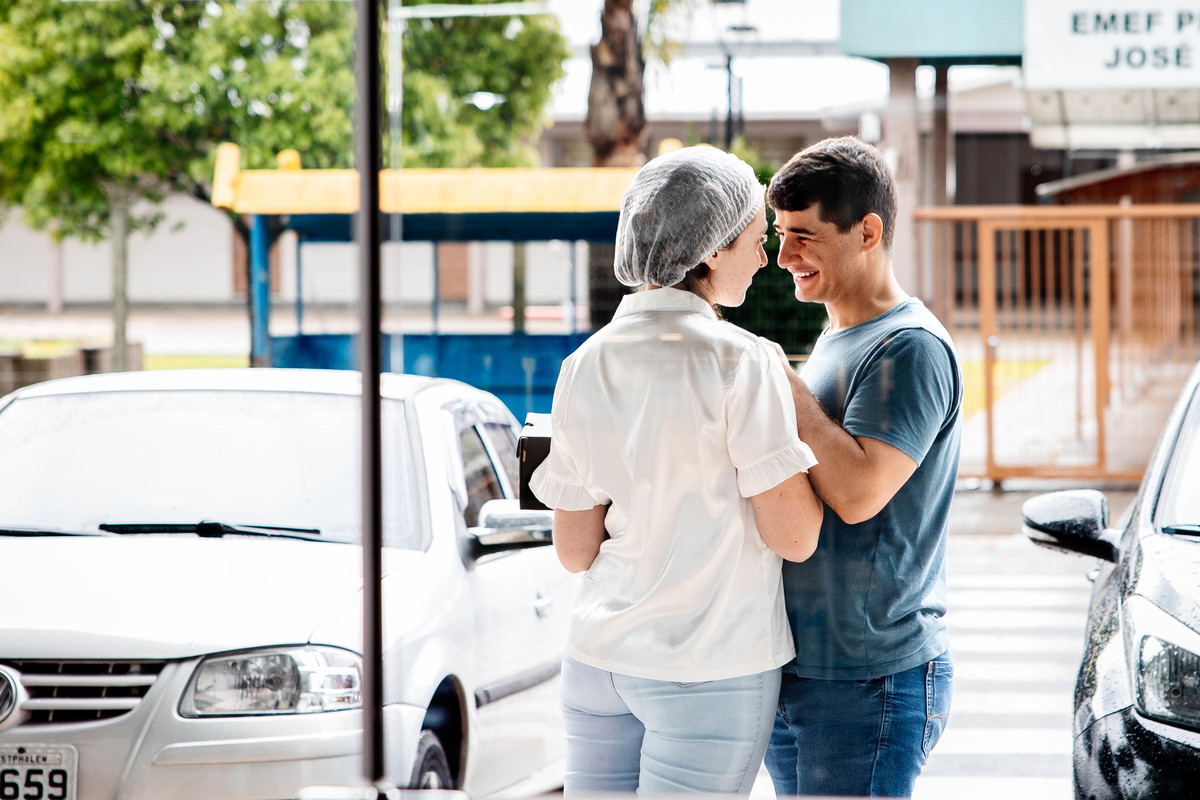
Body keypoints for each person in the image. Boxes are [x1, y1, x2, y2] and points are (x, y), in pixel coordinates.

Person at [529, 145, 824, 795]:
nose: (764, 259)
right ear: (712, 250)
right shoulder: (744, 361)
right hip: (707, 668)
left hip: (597, 663)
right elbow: (796, 536)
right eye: (755, 240)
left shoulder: (584, 363)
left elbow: (574, 551)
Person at [762, 136, 963, 799]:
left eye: (804, 236)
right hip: (810, 671)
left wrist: (786, 388)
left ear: (867, 232)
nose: (784, 256)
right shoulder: (838, 335)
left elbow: (856, 493)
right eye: (781, 235)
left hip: (868, 680)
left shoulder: (909, 347)